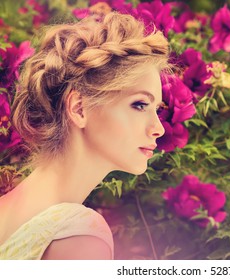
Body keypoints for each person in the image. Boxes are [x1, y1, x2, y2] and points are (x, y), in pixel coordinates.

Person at [0, 11, 169, 260]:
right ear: (79, 108)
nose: (159, 128)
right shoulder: (78, 237)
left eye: (156, 110)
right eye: (140, 105)